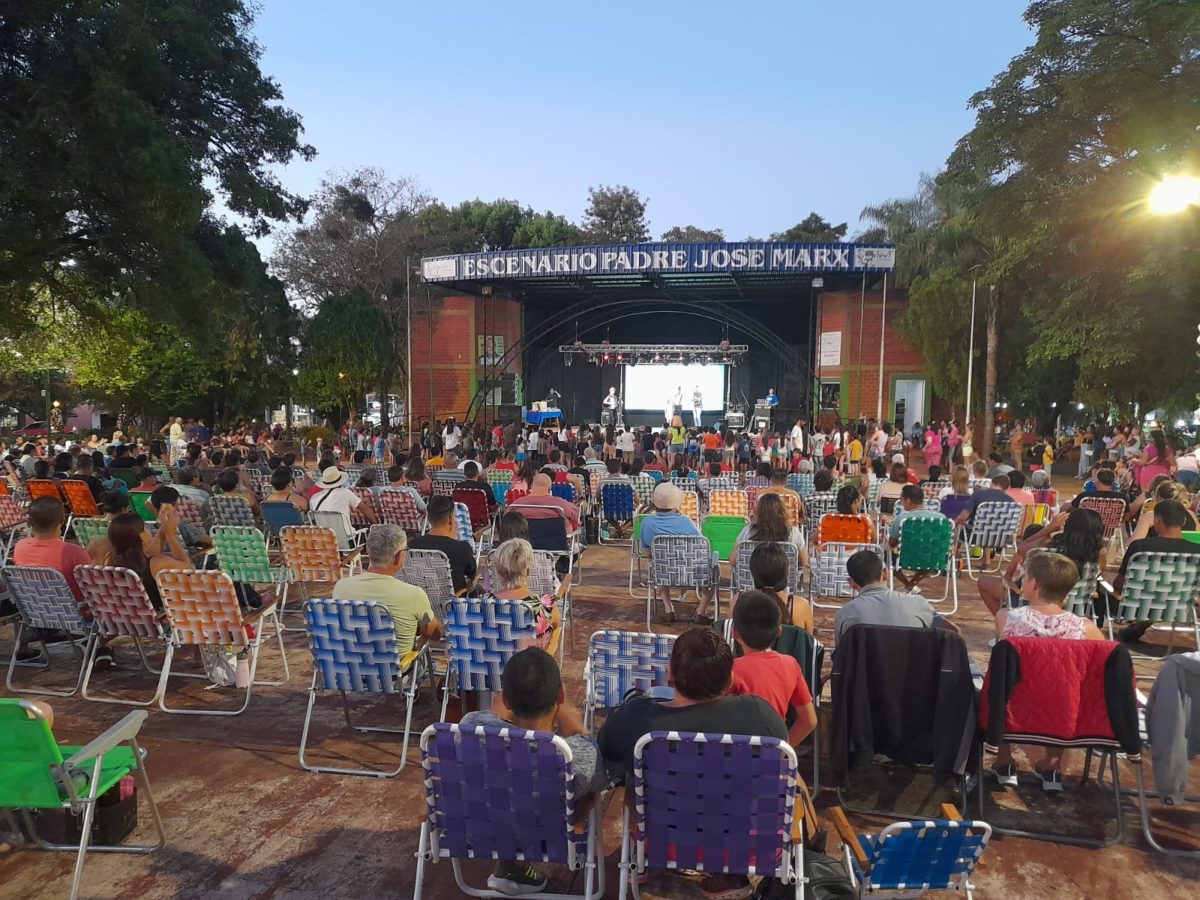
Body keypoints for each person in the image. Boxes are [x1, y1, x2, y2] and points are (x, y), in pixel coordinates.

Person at [460, 648, 605, 897]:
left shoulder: (470, 727)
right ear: (560, 694)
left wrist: (518, 687)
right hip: (551, 839)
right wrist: (567, 711)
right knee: (589, 789)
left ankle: (511, 866)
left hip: (484, 832)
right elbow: (589, 757)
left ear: (505, 700)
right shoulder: (579, 754)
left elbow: (491, 719)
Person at [990, 552, 1105, 791]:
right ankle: (1051, 765)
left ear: (1034, 585)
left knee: (1002, 683)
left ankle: (1004, 760)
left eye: (1025, 576)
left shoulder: (1006, 617)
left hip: (1015, 710)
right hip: (1065, 712)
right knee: (1066, 685)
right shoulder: (1087, 628)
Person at [332, 524, 439, 666]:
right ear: (398, 557)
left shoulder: (341, 587)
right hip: (395, 675)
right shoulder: (414, 594)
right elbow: (434, 634)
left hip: (351, 670)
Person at [729, 590, 817, 748]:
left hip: (735, 756)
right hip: (773, 757)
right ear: (779, 631)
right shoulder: (790, 665)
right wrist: (782, 749)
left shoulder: (731, 671)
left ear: (734, 633)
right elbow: (809, 721)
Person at [1113, 500, 1200, 644]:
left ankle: (1136, 627)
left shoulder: (1140, 546)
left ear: (1157, 522)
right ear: (1184, 522)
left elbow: (1119, 583)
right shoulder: (1197, 550)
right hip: (1181, 605)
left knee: (1113, 591)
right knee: (1167, 594)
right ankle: (1137, 628)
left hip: (1139, 604)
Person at [639, 481, 716, 623]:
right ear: (675, 504)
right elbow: (702, 547)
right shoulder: (686, 521)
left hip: (663, 573)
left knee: (657, 564)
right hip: (692, 574)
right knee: (714, 570)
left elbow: (647, 553)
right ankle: (700, 611)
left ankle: (668, 609)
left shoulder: (646, 523)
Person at [834, 549, 938, 642]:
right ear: (885, 573)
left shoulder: (845, 613)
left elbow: (842, 655)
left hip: (865, 664)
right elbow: (948, 632)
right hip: (910, 663)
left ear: (851, 583)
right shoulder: (918, 604)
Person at [488, 538, 562, 656]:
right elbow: (556, 625)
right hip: (531, 671)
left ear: (499, 570)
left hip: (491, 671)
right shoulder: (544, 605)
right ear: (527, 570)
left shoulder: (482, 604)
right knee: (556, 631)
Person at [408, 496, 478, 593]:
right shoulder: (461, 549)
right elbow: (472, 574)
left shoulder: (412, 545)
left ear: (428, 517)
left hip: (421, 601)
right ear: (450, 519)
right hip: (454, 603)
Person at [748, 540, 812, 633]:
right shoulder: (801, 607)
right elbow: (808, 644)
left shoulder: (739, 602)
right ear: (787, 571)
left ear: (753, 572)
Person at [731, 493, 807, 570]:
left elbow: (733, 561)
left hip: (752, 580)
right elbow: (803, 562)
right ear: (782, 511)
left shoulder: (747, 531)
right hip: (784, 580)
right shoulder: (793, 532)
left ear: (759, 512)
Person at [508, 473, 580, 532]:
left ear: (532, 486)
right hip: (555, 544)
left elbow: (506, 519)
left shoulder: (516, 505)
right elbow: (577, 515)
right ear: (549, 488)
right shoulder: (559, 504)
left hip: (525, 544)